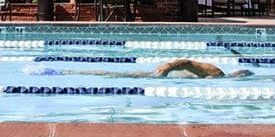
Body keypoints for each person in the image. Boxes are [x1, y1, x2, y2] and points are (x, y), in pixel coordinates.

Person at [25, 58, 252, 79]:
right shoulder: (216, 72)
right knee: (117, 75)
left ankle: (68, 73)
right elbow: (188, 62)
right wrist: (167, 67)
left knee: (117, 75)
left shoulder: (215, 79)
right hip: (159, 75)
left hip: (161, 78)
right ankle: (66, 73)